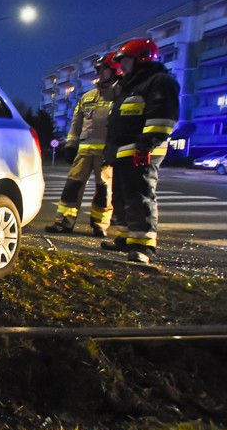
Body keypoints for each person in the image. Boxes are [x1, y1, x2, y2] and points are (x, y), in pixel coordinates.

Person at [100, 38, 180, 264]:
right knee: (122, 196)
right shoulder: (130, 86)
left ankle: (143, 246)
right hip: (124, 152)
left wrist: (146, 144)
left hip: (142, 150)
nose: (121, 66)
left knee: (140, 195)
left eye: (125, 60)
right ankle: (125, 238)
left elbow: (163, 117)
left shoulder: (159, 82)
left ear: (141, 58)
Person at [45, 52, 120, 237]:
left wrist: (115, 150)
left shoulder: (120, 97)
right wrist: (70, 144)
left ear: (115, 71)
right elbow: (76, 123)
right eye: (99, 70)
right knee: (72, 186)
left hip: (105, 153)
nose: (100, 73)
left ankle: (99, 224)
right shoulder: (87, 97)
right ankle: (64, 222)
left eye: (104, 70)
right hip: (84, 151)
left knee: (103, 190)